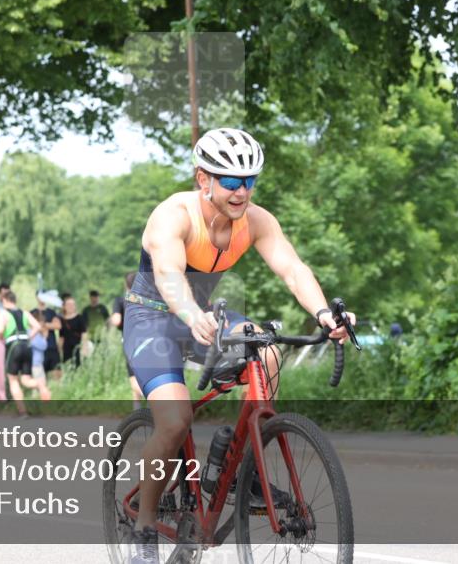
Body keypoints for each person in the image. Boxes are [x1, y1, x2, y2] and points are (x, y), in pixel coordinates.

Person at [122, 128, 356, 563]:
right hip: (152, 315)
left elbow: (292, 268)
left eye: (250, 180)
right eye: (230, 181)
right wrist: (191, 316)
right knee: (173, 422)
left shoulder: (257, 221)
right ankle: (144, 528)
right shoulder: (173, 216)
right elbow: (171, 276)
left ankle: (235, 464)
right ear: (202, 178)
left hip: (205, 313)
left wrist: (325, 314)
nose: (241, 190)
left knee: (267, 352)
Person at [0, 289, 49, 415]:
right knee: (26, 380)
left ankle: (23, 412)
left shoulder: (2, 313)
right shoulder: (24, 312)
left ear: (4, 300)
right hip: (26, 346)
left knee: (13, 380)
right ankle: (41, 385)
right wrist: (29, 337)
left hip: (13, 347)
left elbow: (0, 330)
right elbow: (37, 326)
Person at [110, 272, 143, 408]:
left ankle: (157, 401)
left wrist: (111, 319)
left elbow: (117, 321)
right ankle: (137, 411)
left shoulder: (121, 300)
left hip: (131, 342)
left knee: (134, 378)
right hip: (151, 340)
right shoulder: (146, 299)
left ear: (126, 284)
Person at [32, 292, 63, 381]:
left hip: (51, 347)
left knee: (57, 374)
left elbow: (58, 325)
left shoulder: (51, 312)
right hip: (39, 349)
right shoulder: (33, 312)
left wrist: (44, 325)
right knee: (40, 377)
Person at [58, 294, 87, 369]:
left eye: (73, 304)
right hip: (66, 348)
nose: (71, 306)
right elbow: (61, 336)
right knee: (67, 366)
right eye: (69, 304)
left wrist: (84, 347)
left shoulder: (79, 318)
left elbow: (84, 333)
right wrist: (59, 350)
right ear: (64, 306)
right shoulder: (62, 320)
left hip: (77, 347)